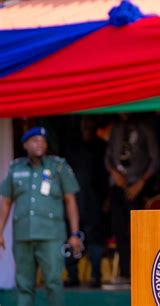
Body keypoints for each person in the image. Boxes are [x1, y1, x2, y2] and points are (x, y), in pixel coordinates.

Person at [0, 127, 81, 306]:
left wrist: (75, 234)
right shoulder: (16, 168)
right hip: (23, 236)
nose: (40, 144)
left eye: (43, 140)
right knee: (24, 285)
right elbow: (6, 202)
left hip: (51, 235)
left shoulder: (58, 167)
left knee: (53, 282)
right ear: (25, 144)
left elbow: (70, 201)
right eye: (35, 140)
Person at [105, 113, 160, 283]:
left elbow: (156, 159)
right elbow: (107, 157)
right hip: (117, 186)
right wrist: (114, 173)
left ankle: (141, 272)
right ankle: (124, 272)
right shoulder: (116, 129)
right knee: (119, 229)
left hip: (138, 186)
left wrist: (141, 182)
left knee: (138, 232)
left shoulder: (145, 128)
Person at [63, 117, 109, 288]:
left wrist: (107, 200)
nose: (87, 126)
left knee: (95, 241)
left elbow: (106, 176)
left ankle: (96, 276)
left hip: (95, 202)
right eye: (84, 123)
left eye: (90, 123)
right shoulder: (71, 146)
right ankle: (72, 275)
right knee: (71, 239)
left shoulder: (101, 146)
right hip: (73, 201)